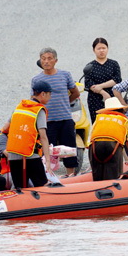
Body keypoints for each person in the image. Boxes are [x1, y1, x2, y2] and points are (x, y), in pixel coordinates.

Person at [32, 47, 80, 175]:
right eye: (43, 59)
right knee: (48, 152)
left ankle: (71, 176)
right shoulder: (36, 80)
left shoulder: (65, 75)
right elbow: (34, 101)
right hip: (47, 122)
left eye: (49, 58)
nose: (46, 61)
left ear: (55, 60)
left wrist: (65, 103)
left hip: (65, 119)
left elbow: (75, 93)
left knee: (69, 151)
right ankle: (49, 177)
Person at [4, 81, 54, 188]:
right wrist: (48, 162)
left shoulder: (19, 107)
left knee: (20, 189)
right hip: (30, 156)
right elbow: (43, 137)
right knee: (42, 187)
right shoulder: (38, 110)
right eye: (50, 94)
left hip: (13, 156)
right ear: (43, 94)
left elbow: (4, 128)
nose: (50, 98)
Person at [88, 97, 128, 180]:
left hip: (95, 147)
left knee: (97, 177)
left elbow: (90, 138)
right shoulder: (124, 120)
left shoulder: (99, 118)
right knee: (113, 177)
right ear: (120, 109)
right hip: (113, 146)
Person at [82, 37, 122, 122]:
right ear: (94, 50)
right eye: (99, 48)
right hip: (95, 100)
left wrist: (100, 86)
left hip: (112, 98)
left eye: (104, 48)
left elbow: (117, 79)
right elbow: (88, 83)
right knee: (99, 124)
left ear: (107, 49)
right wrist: (103, 92)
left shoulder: (113, 64)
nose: (101, 50)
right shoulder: (90, 66)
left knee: (113, 123)